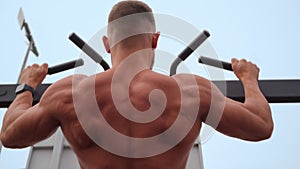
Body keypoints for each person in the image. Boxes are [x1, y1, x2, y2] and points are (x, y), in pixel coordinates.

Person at [0, 1, 273, 169]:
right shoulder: (189, 92)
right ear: (155, 40)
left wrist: (28, 86)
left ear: (107, 44)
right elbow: (260, 125)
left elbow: (10, 134)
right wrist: (248, 79)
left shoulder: (69, 94)